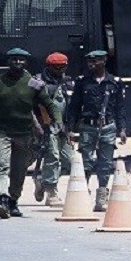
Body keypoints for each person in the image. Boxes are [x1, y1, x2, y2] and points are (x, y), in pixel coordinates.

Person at [0, 48, 63, 219]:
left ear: (26, 63)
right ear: (8, 61)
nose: (17, 63)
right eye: (14, 60)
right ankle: (1, 199)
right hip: (1, 132)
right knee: (2, 166)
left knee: (19, 170)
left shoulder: (34, 84)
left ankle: (13, 201)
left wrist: (58, 120)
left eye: (21, 60)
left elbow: (50, 104)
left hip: (24, 134)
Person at [65, 50, 127, 212]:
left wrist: (122, 129)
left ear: (104, 62)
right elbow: (75, 107)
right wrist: (71, 129)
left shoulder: (114, 82)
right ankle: (82, 193)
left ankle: (102, 196)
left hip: (108, 127)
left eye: (95, 61)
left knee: (105, 163)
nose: (91, 65)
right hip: (88, 126)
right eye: (89, 62)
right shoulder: (83, 82)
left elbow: (120, 108)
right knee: (86, 162)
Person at [33, 52, 74, 207]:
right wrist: (37, 126)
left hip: (64, 127)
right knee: (52, 157)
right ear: (49, 66)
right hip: (46, 126)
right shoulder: (38, 83)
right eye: (57, 67)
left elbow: (71, 107)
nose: (60, 70)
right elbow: (30, 107)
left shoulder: (67, 83)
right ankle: (51, 192)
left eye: (63, 67)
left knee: (70, 161)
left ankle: (42, 182)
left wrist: (70, 128)